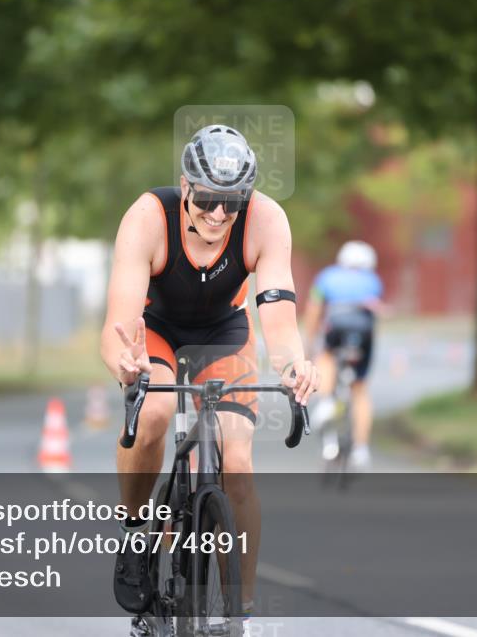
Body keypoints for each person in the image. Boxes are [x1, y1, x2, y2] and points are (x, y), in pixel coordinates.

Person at [100, 124, 318, 636]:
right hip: (152, 330)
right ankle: (136, 532)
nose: (219, 214)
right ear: (185, 185)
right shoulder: (147, 218)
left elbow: (279, 316)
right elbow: (118, 325)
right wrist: (127, 366)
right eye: (207, 200)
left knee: (236, 458)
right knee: (153, 413)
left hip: (224, 331)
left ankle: (239, 613)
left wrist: (293, 366)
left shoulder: (266, 220)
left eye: (232, 202)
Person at [303, 240, 385, 470]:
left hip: (336, 323)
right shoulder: (373, 280)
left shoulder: (327, 276)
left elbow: (314, 309)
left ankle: (327, 401)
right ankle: (360, 449)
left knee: (327, 356)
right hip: (363, 331)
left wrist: (310, 344)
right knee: (360, 389)